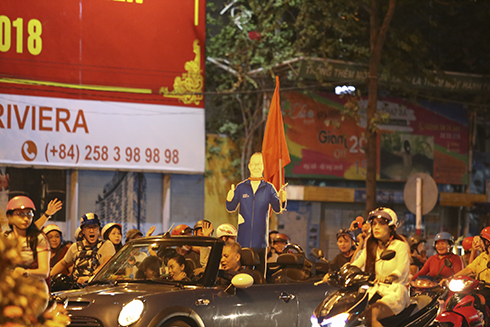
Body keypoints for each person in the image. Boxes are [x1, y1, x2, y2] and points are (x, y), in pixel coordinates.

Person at [346, 207, 410, 327]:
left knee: (370, 315)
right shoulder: (371, 246)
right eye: (374, 224)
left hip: (394, 293)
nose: (376, 227)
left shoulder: (400, 246)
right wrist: (339, 273)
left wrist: (389, 277)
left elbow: (401, 270)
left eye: (381, 224)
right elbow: (356, 264)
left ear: (391, 228)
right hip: (371, 292)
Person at [226, 152, 287, 275]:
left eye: (259, 164)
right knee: (241, 274)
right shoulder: (241, 187)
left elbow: (277, 208)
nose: (256, 167)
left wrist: (282, 199)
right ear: (249, 166)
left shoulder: (269, 188)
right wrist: (229, 199)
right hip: (242, 240)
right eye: (253, 164)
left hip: (261, 241)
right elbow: (231, 207)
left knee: (259, 275)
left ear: (263, 167)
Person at [50, 213, 115, 284]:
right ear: (83, 231)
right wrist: (48, 276)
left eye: (95, 227)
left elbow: (108, 263)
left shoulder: (106, 245)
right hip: (77, 289)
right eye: (88, 227)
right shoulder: (75, 247)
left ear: (99, 229)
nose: (92, 230)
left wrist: (91, 277)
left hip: (99, 288)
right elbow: (63, 263)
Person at [4, 196, 50, 281]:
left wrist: (26, 272)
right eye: (20, 214)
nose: (26, 219)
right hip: (9, 286)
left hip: (34, 287)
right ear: (9, 217)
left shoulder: (38, 238)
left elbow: (45, 271)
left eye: (29, 214)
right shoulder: (4, 238)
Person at [445, 227, 490, 308]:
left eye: (481, 241)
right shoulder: (483, 256)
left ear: (487, 242)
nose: (479, 244)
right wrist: (451, 278)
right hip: (479, 289)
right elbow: (469, 269)